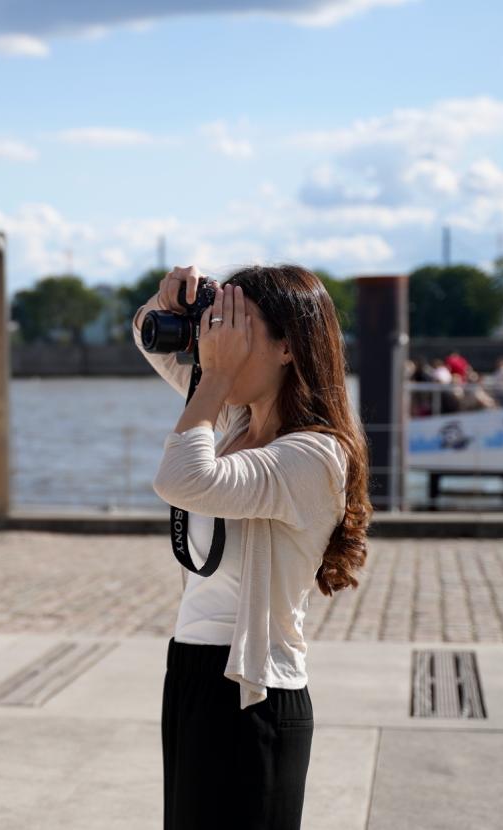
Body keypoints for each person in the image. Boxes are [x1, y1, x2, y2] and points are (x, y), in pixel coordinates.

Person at [134, 264, 371, 830]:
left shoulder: (314, 456)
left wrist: (214, 376)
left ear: (288, 346)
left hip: (253, 695)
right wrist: (172, 299)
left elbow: (182, 479)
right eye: (214, 328)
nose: (218, 342)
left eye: (235, 328)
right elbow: (148, 335)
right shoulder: (240, 420)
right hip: (193, 673)